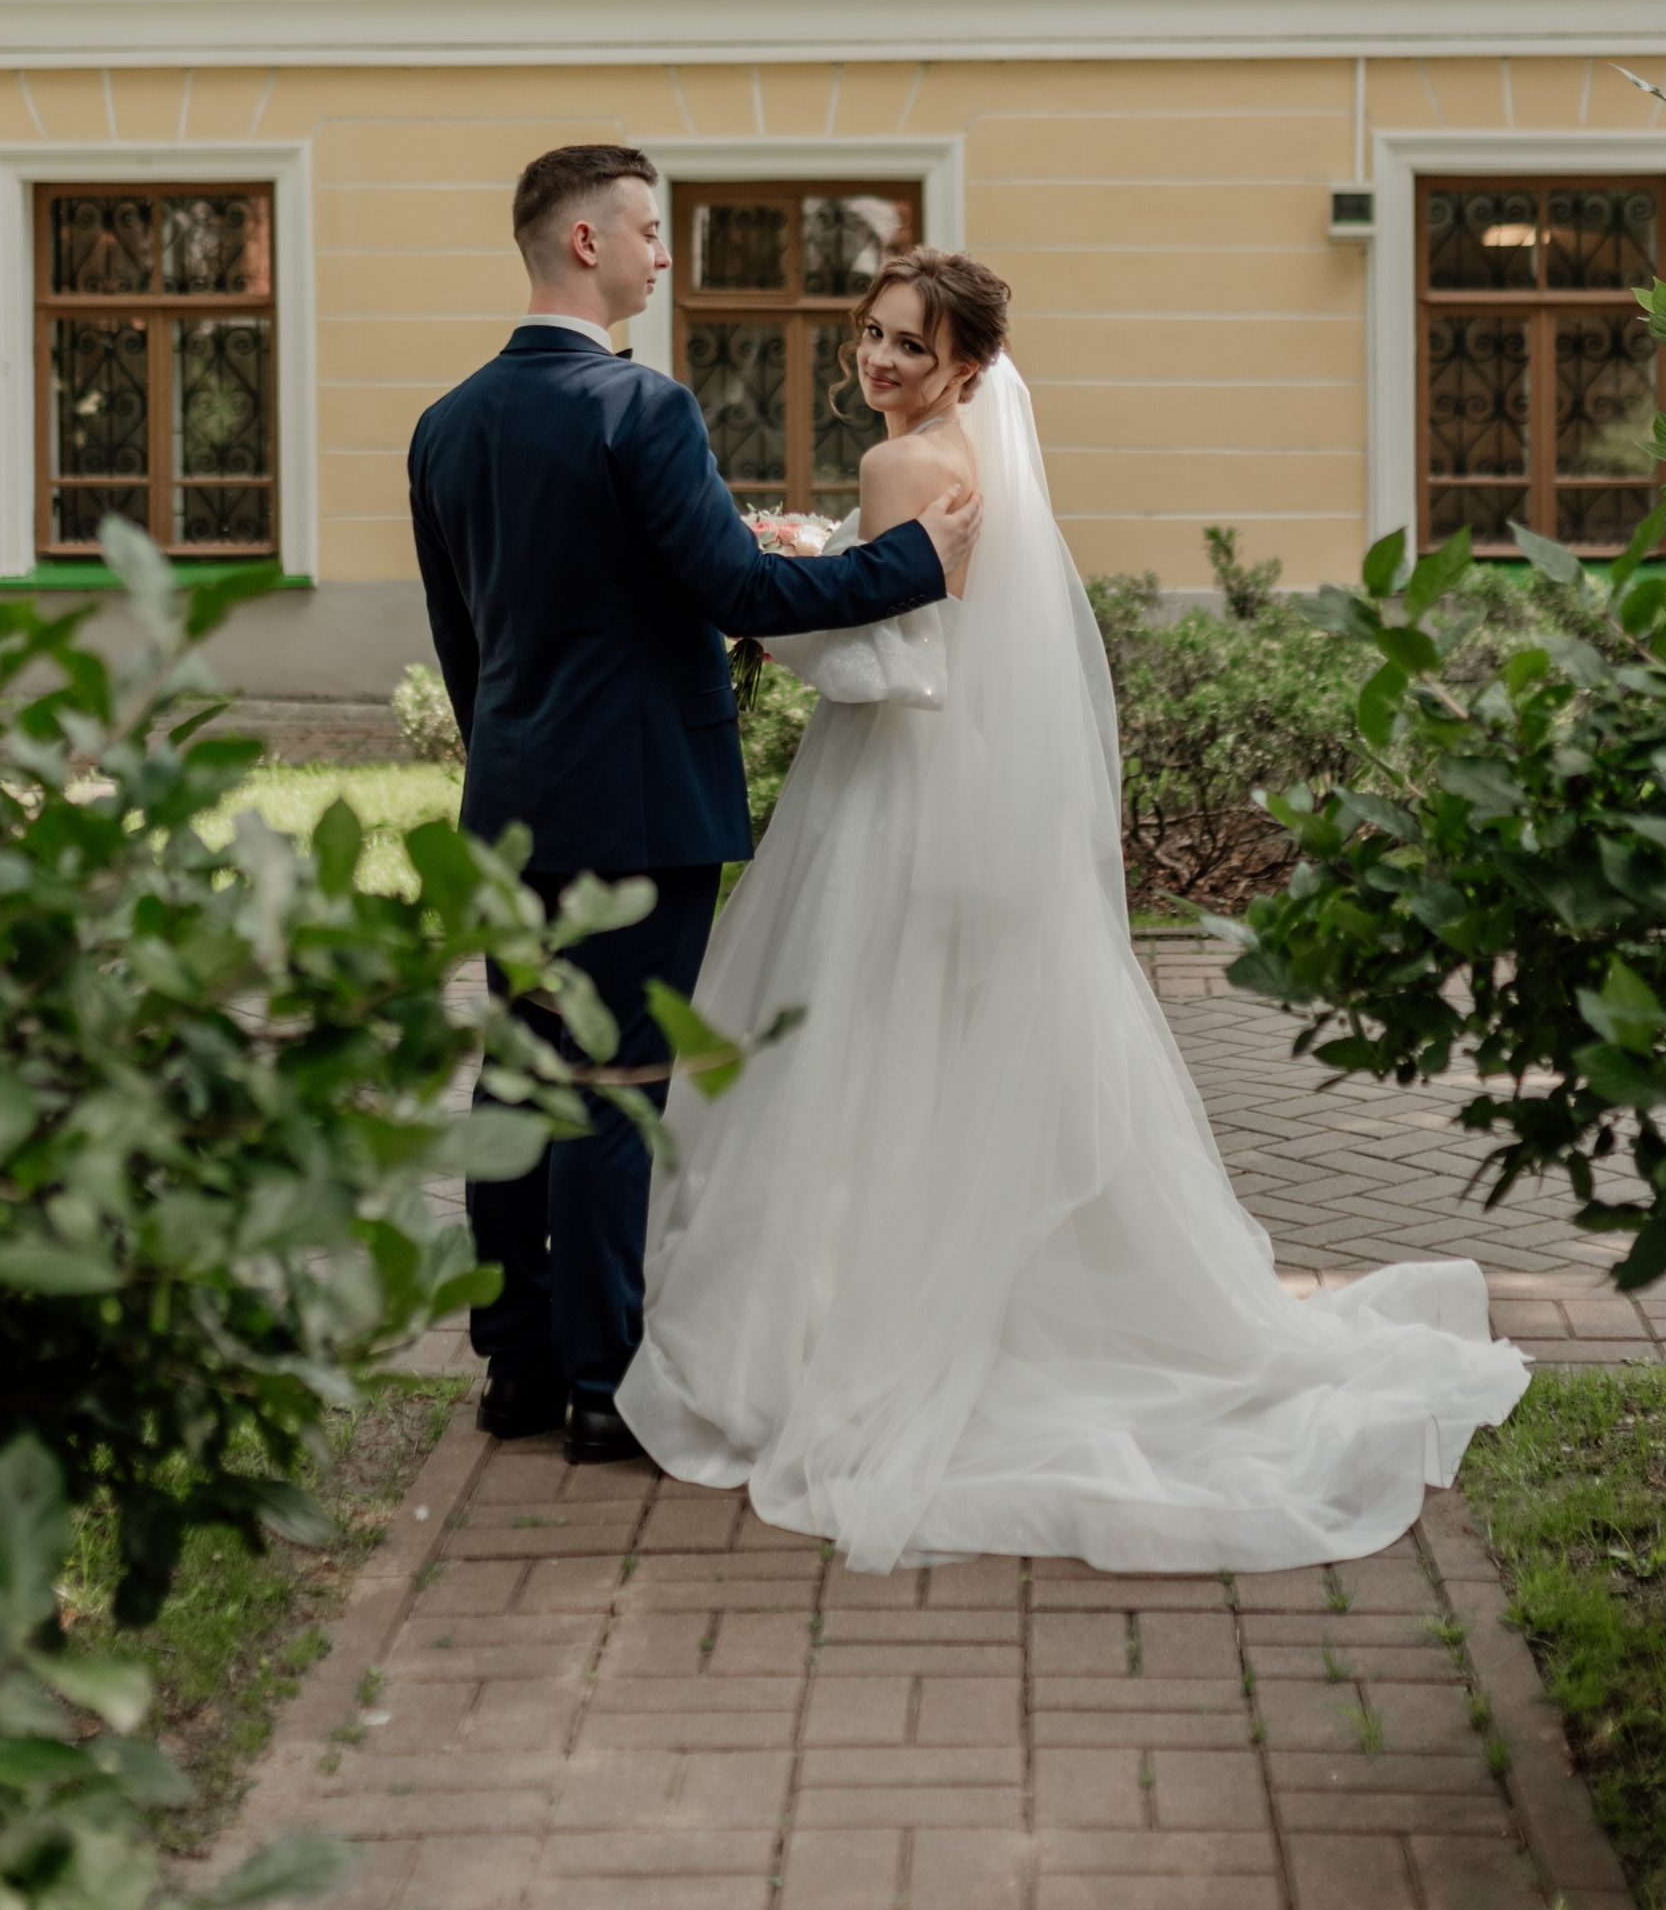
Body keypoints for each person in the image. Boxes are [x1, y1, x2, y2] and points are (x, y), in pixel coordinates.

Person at [618, 249, 1528, 1570]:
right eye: (869, 336)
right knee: (952, 1043)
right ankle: (967, 1290)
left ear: (968, 368)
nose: (877, 363)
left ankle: (852, 1315)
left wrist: (779, 616)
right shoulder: (990, 471)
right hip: (973, 791)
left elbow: (886, 663)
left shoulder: (896, 471)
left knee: (856, 1045)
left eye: (908, 348)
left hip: (886, 792)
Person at [407, 144, 981, 1465]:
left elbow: (466, 649)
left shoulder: (446, 425)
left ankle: (517, 1368)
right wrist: (912, 562)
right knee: (616, 1087)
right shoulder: (640, 411)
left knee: (523, 1070)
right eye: (653, 233)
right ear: (588, 246)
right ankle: (607, 1386)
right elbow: (747, 595)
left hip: (512, 801)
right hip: (642, 807)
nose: (668, 256)